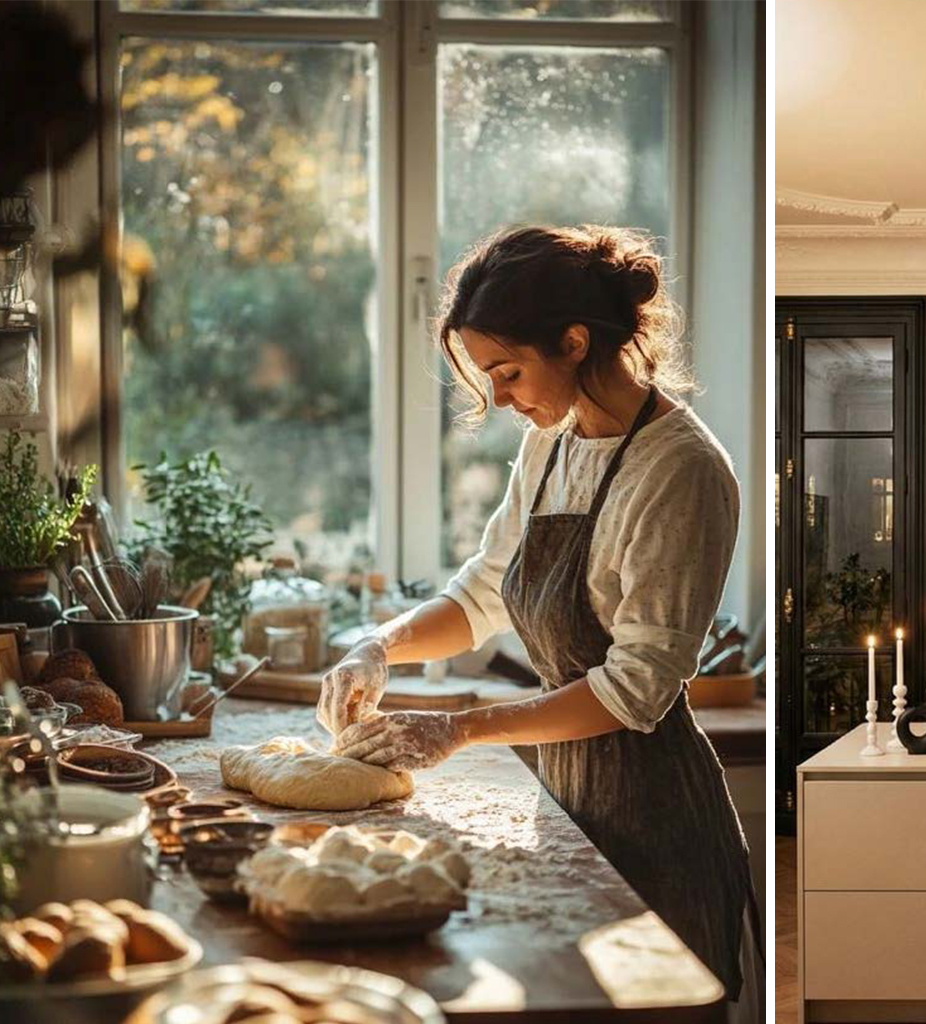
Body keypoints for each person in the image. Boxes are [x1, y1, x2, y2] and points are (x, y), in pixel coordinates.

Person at [317, 225, 760, 1016]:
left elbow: (634, 690)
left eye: (508, 372)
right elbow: (482, 594)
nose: (501, 399)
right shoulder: (551, 446)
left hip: (655, 823)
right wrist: (378, 646)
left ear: (574, 340)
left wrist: (458, 728)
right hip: (567, 800)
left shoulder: (681, 470)